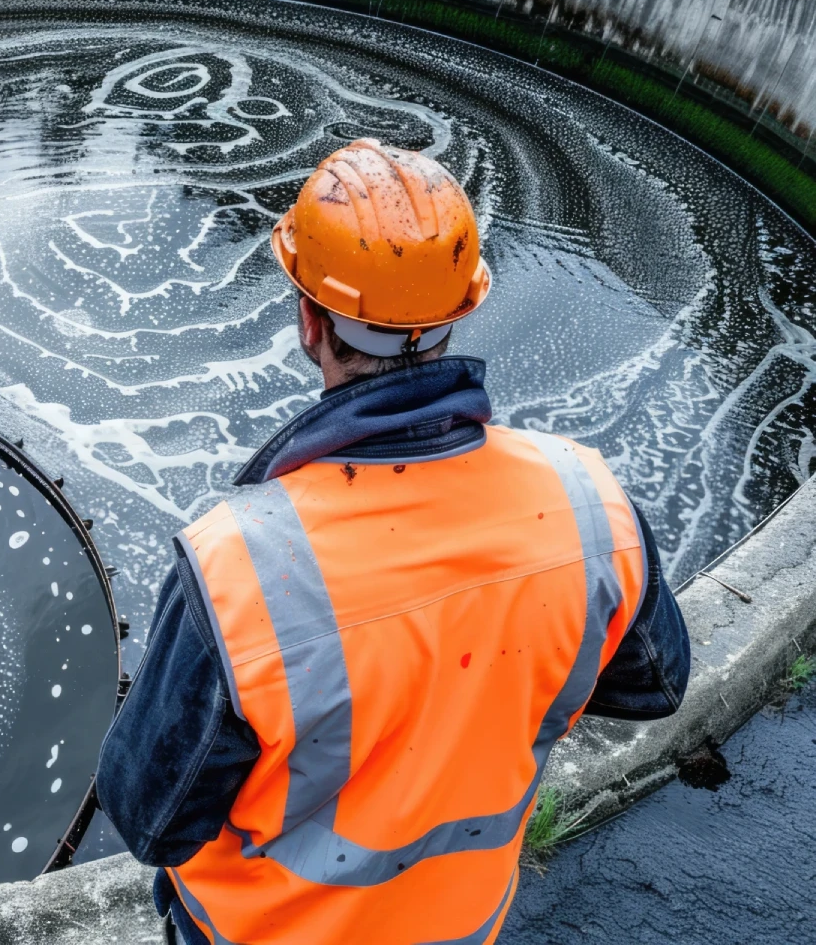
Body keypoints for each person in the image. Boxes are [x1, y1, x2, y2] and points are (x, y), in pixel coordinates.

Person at [95, 138, 691, 945]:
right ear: (461, 308)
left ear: (310, 320)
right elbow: (652, 686)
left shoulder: (239, 568)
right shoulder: (588, 501)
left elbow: (152, 819)